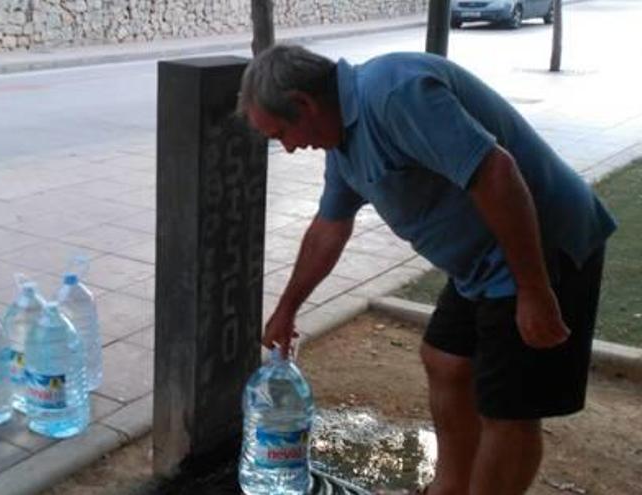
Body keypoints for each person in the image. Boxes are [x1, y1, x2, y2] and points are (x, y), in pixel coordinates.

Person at [238, 44, 616, 495]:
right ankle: (449, 488)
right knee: (446, 361)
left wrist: (534, 289)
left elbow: (496, 172)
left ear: (305, 104)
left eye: (282, 133)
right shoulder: (342, 142)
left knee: (509, 410)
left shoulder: (394, 94)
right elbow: (328, 229)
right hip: (479, 264)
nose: (291, 147)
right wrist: (287, 310)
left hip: (540, 248)